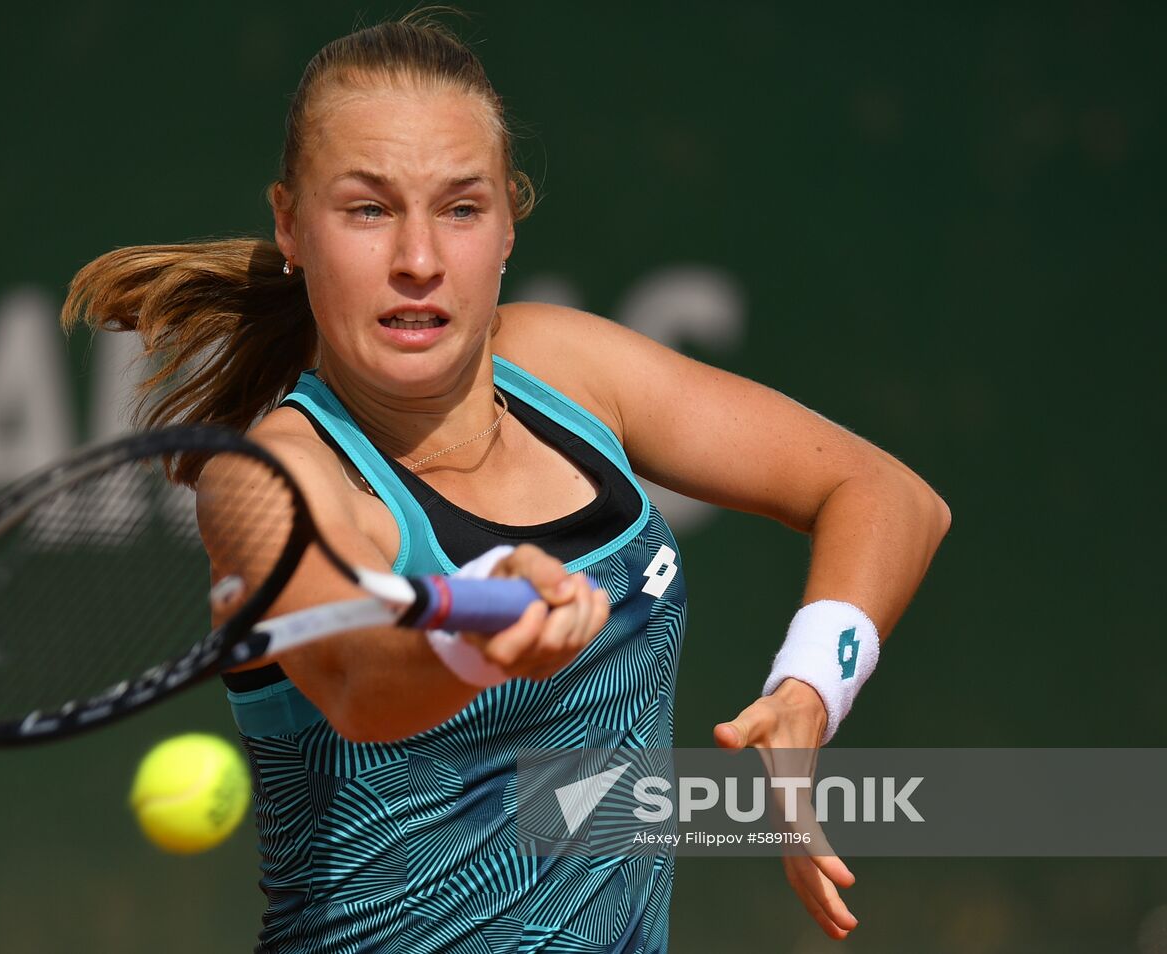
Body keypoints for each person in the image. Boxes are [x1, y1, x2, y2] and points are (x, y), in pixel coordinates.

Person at [62, 14, 950, 951]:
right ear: (290, 222)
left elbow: (887, 495)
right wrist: (482, 636)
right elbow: (359, 682)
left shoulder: (568, 369)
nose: (418, 260)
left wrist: (809, 688)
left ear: (507, 228)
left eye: (460, 207)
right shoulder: (276, 475)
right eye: (368, 209)